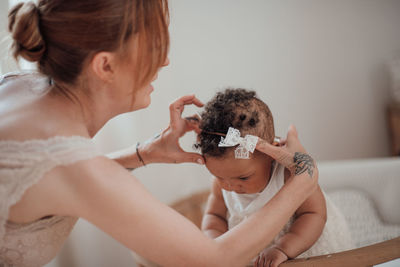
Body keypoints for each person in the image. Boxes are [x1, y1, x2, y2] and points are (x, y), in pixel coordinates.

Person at [0, 1, 318, 266]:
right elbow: (213, 260)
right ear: (105, 66)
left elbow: (54, 179)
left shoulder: (17, 86)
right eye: (154, 47)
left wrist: (145, 153)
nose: (165, 60)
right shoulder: (74, 168)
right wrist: (304, 178)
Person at [197, 88, 354, 267]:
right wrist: (214, 241)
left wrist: (283, 248)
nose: (229, 186)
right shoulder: (223, 181)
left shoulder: (289, 174)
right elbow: (214, 216)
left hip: (301, 245)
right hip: (250, 251)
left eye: (243, 178)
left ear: (272, 155)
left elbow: (315, 214)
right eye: (218, 176)